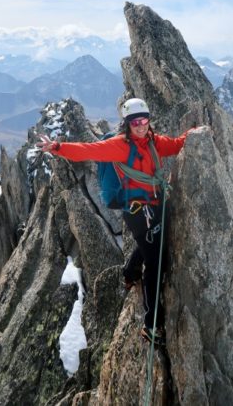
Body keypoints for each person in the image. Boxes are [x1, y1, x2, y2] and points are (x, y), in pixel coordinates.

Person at [37, 98, 194, 345]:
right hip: (137, 210)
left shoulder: (154, 142)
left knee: (147, 246)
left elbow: (175, 145)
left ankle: (130, 274)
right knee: (156, 262)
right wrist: (58, 147)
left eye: (144, 120)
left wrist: (196, 133)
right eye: (135, 122)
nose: (141, 125)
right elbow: (86, 150)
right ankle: (151, 325)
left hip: (156, 203)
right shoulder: (119, 146)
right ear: (128, 123)